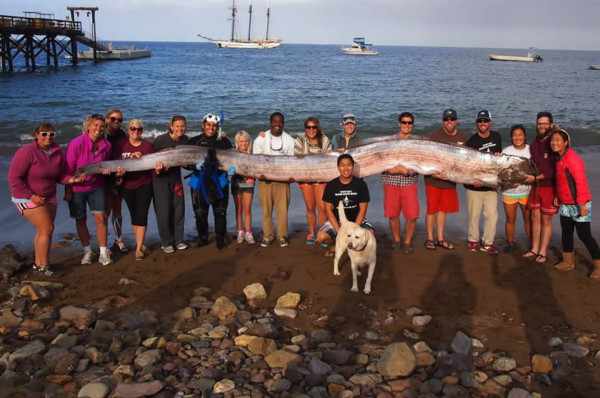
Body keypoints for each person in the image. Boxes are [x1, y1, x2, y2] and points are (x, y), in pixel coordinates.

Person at [8, 123, 84, 277]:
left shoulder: (57, 152)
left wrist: (73, 181)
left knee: (43, 230)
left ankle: (38, 263)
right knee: (47, 228)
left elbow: (60, 176)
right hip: (26, 196)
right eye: (44, 134)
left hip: (49, 196)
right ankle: (44, 266)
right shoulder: (27, 151)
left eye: (51, 134)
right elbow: (14, 179)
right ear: (36, 135)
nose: (48, 137)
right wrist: (31, 196)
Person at [65, 114, 117, 266]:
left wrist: (106, 171)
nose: (98, 129)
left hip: (96, 186)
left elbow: (105, 165)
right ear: (89, 126)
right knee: (81, 220)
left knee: (101, 218)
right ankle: (87, 251)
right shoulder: (76, 143)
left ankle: (102, 252)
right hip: (77, 187)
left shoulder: (106, 145)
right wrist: (68, 190)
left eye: (102, 126)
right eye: (96, 125)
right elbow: (69, 169)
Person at [550, 129, 600, 279]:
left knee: (584, 235)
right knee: (566, 232)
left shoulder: (572, 159)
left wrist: (582, 204)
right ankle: (568, 262)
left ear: (566, 142)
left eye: (558, 140)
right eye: (553, 140)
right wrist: (558, 196)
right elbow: (562, 181)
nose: (554, 143)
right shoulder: (559, 158)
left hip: (580, 203)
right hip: (566, 203)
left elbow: (580, 182)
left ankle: (598, 266)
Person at [424, 109, 468, 250]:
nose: (449, 122)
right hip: (433, 180)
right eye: (447, 119)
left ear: (456, 120)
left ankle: (440, 238)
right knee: (432, 209)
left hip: (450, 181)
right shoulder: (434, 135)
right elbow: (425, 156)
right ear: (443, 121)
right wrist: (432, 174)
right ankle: (430, 238)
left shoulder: (463, 137)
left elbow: (467, 161)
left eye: (452, 119)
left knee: (443, 209)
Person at [188, 113, 233, 249]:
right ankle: (203, 237)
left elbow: (233, 159)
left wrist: (232, 168)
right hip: (198, 182)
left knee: (220, 212)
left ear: (217, 127)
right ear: (203, 126)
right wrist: (193, 166)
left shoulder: (224, 142)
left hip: (219, 181)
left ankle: (220, 238)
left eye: (214, 126)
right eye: (208, 125)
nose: (211, 128)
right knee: (200, 213)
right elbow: (184, 162)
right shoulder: (194, 142)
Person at [112, 119, 155, 261]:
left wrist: (159, 170)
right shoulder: (121, 144)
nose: (136, 131)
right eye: (133, 128)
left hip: (144, 184)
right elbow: (115, 163)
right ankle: (140, 244)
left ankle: (138, 249)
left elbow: (152, 170)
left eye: (139, 129)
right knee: (134, 215)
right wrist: (129, 159)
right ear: (128, 130)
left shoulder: (148, 146)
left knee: (142, 215)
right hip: (127, 185)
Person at [252, 112, 295, 247]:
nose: (277, 124)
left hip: (283, 181)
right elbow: (256, 159)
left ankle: (282, 236)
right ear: (270, 122)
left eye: (280, 122)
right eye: (275, 121)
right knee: (266, 209)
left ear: (283, 123)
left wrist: (290, 176)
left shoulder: (289, 140)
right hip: (265, 180)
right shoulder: (261, 139)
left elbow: (292, 161)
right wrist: (260, 173)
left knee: (282, 210)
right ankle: (268, 235)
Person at [317, 153, 374, 252]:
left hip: (356, 221)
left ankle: (351, 245)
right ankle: (337, 243)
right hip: (337, 221)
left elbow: (363, 210)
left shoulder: (361, 184)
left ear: (353, 167)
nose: (346, 168)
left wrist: (354, 230)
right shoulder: (331, 185)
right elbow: (328, 210)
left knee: (370, 235)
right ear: (338, 167)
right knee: (321, 237)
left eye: (349, 165)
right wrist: (340, 233)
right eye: (342, 165)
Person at [522, 111, 559, 264]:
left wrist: (536, 178)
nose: (542, 126)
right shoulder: (535, 143)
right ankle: (534, 248)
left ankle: (543, 251)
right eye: (539, 123)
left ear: (550, 124)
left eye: (545, 123)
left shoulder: (554, 141)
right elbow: (532, 165)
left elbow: (553, 170)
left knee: (545, 219)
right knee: (534, 217)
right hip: (535, 186)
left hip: (549, 186)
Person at [464, 110, 502, 255]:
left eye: (485, 121)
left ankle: (487, 243)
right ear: (476, 123)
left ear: (490, 122)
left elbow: (496, 162)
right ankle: (473, 240)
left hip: (491, 185)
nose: (483, 123)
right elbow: (467, 165)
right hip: (474, 185)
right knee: (474, 215)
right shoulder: (471, 141)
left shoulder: (496, 136)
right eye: (480, 121)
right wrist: (474, 180)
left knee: (492, 215)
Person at [381, 112, 420, 255]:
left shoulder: (418, 143)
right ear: (399, 124)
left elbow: (421, 161)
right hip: (390, 181)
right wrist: (390, 169)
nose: (407, 125)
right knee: (392, 214)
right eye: (404, 122)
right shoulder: (388, 141)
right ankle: (397, 239)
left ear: (413, 125)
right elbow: (379, 159)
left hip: (409, 182)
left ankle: (408, 242)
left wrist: (407, 172)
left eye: (409, 123)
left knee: (412, 216)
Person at [153, 115, 189, 254]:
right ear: (171, 127)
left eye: (183, 126)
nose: (180, 129)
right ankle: (166, 242)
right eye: (177, 126)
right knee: (164, 212)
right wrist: (158, 169)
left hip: (176, 178)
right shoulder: (160, 140)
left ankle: (178, 240)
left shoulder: (185, 140)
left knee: (179, 209)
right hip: (160, 180)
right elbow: (149, 160)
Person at [294, 117, 333, 244]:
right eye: (308, 127)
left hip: (321, 177)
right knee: (310, 207)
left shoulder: (325, 140)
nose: (311, 130)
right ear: (305, 129)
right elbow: (297, 159)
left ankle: (322, 232)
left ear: (318, 128)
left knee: (322, 208)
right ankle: (311, 233)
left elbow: (329, 158)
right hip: (305, 178)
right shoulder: (300, 140)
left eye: (314, 127)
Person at [501, 124, 532, 252]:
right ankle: (510, 243)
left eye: (520, 135)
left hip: (527, 192)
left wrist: (523, 180)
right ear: (511, 137)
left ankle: (532, 244)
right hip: (509, 192)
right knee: (510, 219)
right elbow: (501, 172)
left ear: (524, 136)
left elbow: (535, 170)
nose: (517, 137)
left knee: (528, 219)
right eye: (514, 135)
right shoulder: (506, 151)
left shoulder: (531, 150)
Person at [104, 109, 129, 253]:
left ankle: (118, 239)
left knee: (117, 208)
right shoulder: (102, 133)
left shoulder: (121, 134)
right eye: (113, 119)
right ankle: (105, 243)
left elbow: (123, 154)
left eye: (119, 120)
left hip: (118, 173)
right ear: (107, 119)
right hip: (104, 175)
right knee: (106, 210)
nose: (116, 122)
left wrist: (120, 175)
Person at [231, 130, 256, 244]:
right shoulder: (233, 152)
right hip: (236, 183)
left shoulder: (252, 154)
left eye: (246, 141)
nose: (244, 143)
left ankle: (248, 232)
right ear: (237, 142)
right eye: (241, 141)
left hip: (248, 183)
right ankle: (240, 231)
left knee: (247, 209)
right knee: (239, 209)